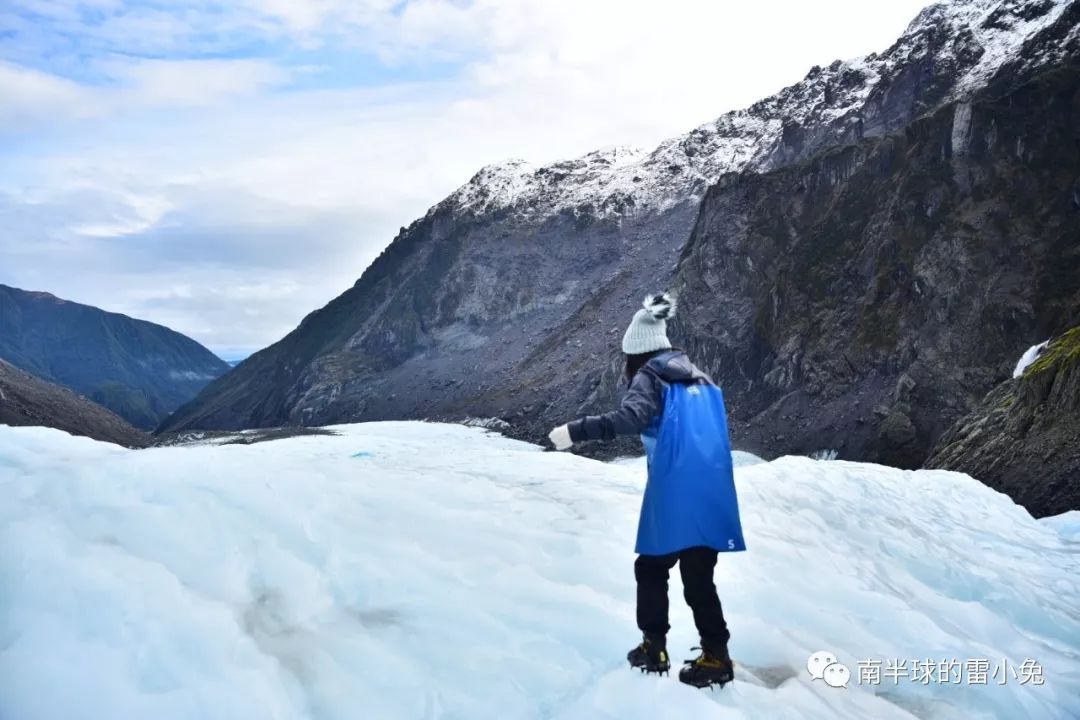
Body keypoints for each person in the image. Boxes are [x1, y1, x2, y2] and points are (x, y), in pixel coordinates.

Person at [547, 292, 746, 689]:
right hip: (713, 491)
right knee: (699, 577)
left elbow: (630, 417)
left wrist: (575, 432)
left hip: (675, 493)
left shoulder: (650, 376)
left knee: (651, 568)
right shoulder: (700, 377)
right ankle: (717, 657)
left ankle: (653, 648)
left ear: (635, 352)